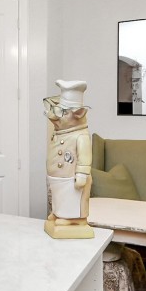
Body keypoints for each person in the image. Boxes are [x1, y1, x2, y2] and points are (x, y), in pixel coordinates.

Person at [44, 79, 94, 239]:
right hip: (59, 177)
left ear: (78, 115)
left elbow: (85, 158)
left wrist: (82, 174)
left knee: (72, 198)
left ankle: (74, 219)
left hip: (72, 179)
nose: (57, 116)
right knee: (59, 196)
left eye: (63, 113)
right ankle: (58, 213)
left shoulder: (81, 135)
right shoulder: (60, 132)